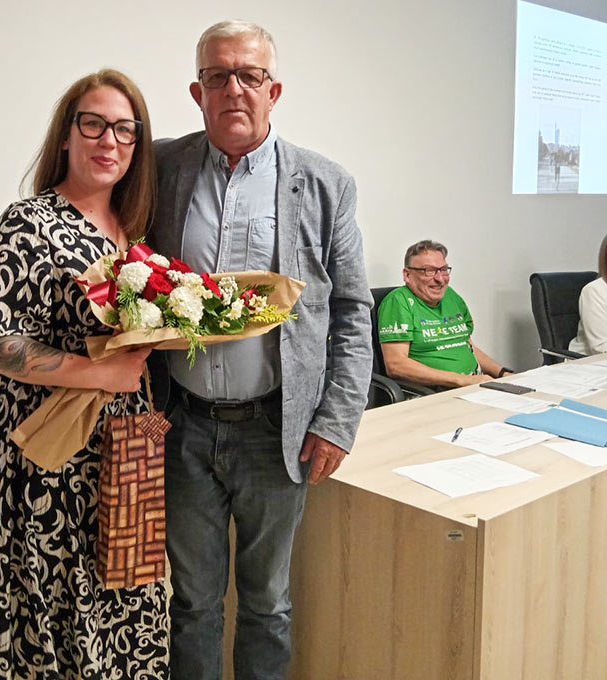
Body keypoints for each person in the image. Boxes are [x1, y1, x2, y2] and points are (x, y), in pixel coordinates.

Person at [147, 20, 373, 680]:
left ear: (274, 90)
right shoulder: (162, 168)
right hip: (181, 425)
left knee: (267, 604)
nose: (234, 89)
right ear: (197, 92)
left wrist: (337, 420)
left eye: (249, 75)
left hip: (276, 431)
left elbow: (351, 311)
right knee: (191, 603)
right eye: (217, 76)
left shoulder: (325, 183)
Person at [0, 70, 169, 679]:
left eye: (125, 131)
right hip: (42, 455)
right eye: (94, 124)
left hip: (125, 442)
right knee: (46, 601)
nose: (109, 141)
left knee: (125, 584)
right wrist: (100, 374)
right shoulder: (26, 224)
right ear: (66, 135)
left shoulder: (134, 231)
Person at [377, 240, 514, 389]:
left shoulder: (451, 296)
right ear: (407, 274)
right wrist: (461, 380)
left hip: (474, 385)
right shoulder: (398, 302)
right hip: (439, 390)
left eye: (443, 270)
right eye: (429, 271)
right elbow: (396, 365)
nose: (440, 279)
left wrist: (502, 373)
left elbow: (466, 345)